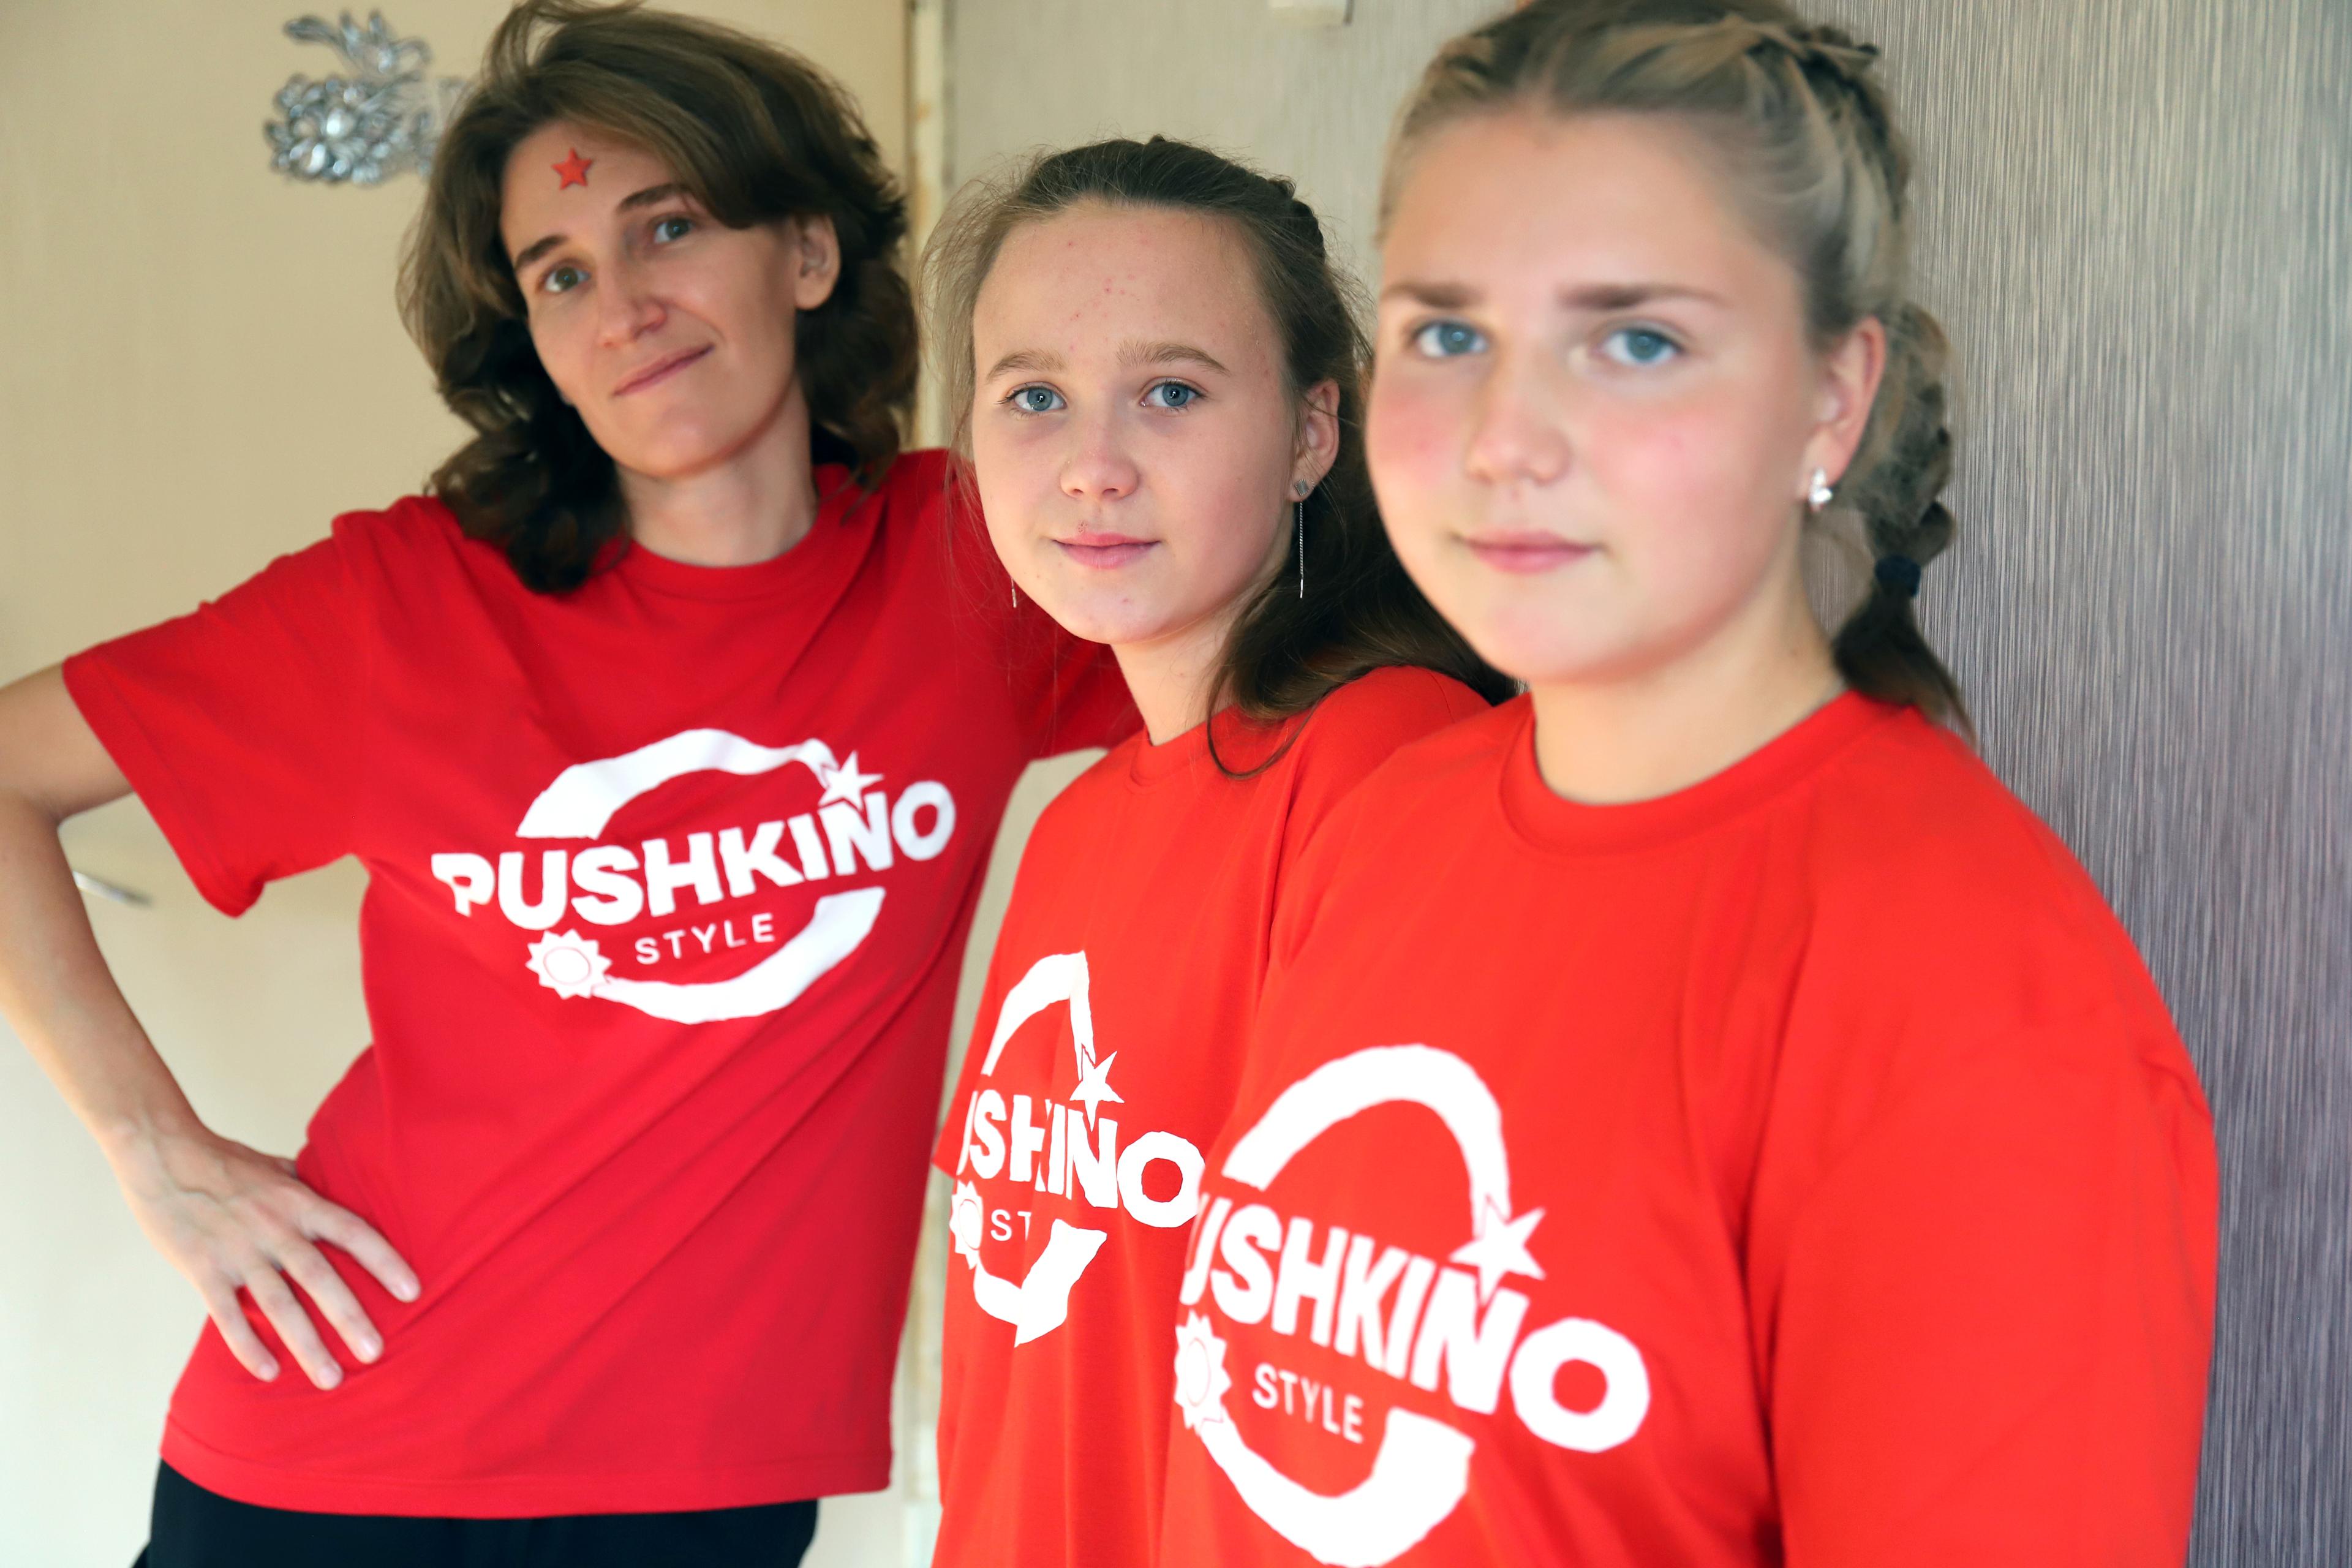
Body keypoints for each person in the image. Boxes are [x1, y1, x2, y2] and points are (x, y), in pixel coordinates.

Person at [0, 3, 1128, 1562]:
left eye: (669, 226)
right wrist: (156, 1154)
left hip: (702, 1491)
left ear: (806, 253)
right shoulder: (403, 609)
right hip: (332, 1453)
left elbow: (1267, 625)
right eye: (562, 272)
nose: (626, 305)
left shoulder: (975, 566)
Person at [1155, 4, 2219, 1565]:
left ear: (1831, 399)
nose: (1506, 441)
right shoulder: (1388, 817)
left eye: (1636, 339)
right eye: (1451, 333)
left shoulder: (1973, 1001)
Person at [920, 137, 1507, 1568]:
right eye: (1035, 396)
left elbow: (1373, 1369)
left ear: (1315, 433)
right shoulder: (1074, 821)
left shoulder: (1397, 765)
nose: (1094, 465)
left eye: (1172, 392)